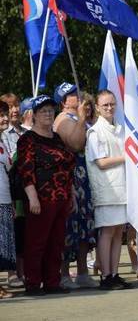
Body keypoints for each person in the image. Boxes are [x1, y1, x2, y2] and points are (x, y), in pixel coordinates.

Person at [17, 95, 76, 295]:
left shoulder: (57, 138)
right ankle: (33, 283)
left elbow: (67, 168)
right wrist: (32, 197)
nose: (48, 114)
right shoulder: (27, 139)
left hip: (62, 198)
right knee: (36, 243)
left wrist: (72, 194)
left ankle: (52, 282)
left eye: (51, 110)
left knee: (56, 242)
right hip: (40, 199)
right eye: (43, 111)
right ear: (33, 115)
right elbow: (26, 170)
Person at [85, 90, 132, 290]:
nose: (110, 108)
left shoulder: (120, 129)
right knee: (107, 232)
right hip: (107, 189)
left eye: (112, 104)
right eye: (105, 105)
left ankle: (114, 273)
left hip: (122, 187)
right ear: (97, 107)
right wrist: (126, 158)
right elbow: (101, 162)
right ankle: (105, 275)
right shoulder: (95, 132)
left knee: (117, 232)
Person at [53, 82, 97, 289]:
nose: (77, 96)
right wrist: (81, 118)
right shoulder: (63, 119)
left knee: (85, 224)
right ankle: (63, 274)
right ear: (63, 101)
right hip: (71, 177)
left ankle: (82, 271)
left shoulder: (81, 118)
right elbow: (76, 143)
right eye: (71, 94)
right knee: (70, 226)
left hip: (85, 176)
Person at [0, 101, 15, 298]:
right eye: (1, 115)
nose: (4, 118)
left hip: (4, 198)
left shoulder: (3, 141)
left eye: (5, 114)